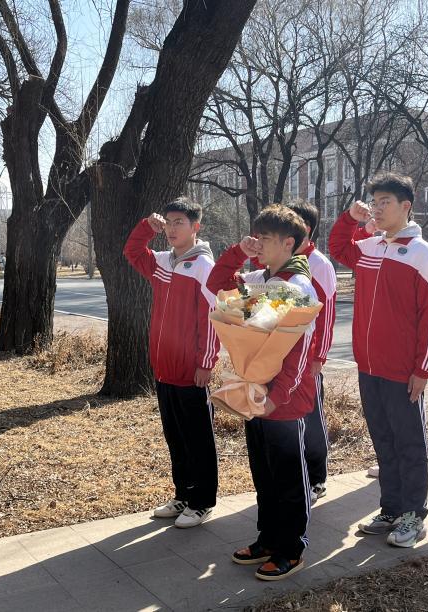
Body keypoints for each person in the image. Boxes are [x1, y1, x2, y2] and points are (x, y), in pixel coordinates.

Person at [329, 172, 428, 549]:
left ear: (405, 206)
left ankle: (414, 515)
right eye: (374, 202)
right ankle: (391, 508)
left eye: (385, 203)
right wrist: (350, 219)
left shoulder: (423, 254)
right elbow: (338, 247)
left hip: (402, 370)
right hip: (369, 366)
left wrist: (422, 370)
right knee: (383, 440)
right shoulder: (369, 246)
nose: (377, 209)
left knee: (409, 443)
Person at [207, 204, 317, 581]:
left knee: (288, 477)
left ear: (288, 243)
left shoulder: (297, 284)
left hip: (282, 399)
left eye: (265, 239)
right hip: (254, 390)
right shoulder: (262, 278)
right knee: (264, 473)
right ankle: (268, 539)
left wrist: (277, 396)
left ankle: (291, 549)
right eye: (256, 237)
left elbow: (297, 350)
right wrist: (238, 252)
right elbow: (217, 286)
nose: (259, 244)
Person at [124, 196, 220, 529]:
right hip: (164, 369)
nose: (172, 228)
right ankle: (183, 494)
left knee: (198, 440)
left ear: (196, 227)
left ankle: (202, 502)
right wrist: (145, 228)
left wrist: (206, 362)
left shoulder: (205, 267)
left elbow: (213, 318)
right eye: (169, 222)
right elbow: (133, 252)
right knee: (176, 438)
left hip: (191, 371)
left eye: (180, 222)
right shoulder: (163, 262)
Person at [283, 201, 337, 505]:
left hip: (309, 360)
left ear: (306, 228)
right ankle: (297, 473)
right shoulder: (282, 260)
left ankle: (317, 478)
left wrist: (319, 357)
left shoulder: (319, 264)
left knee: (312, 417)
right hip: (283, 359)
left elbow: (326, 313)